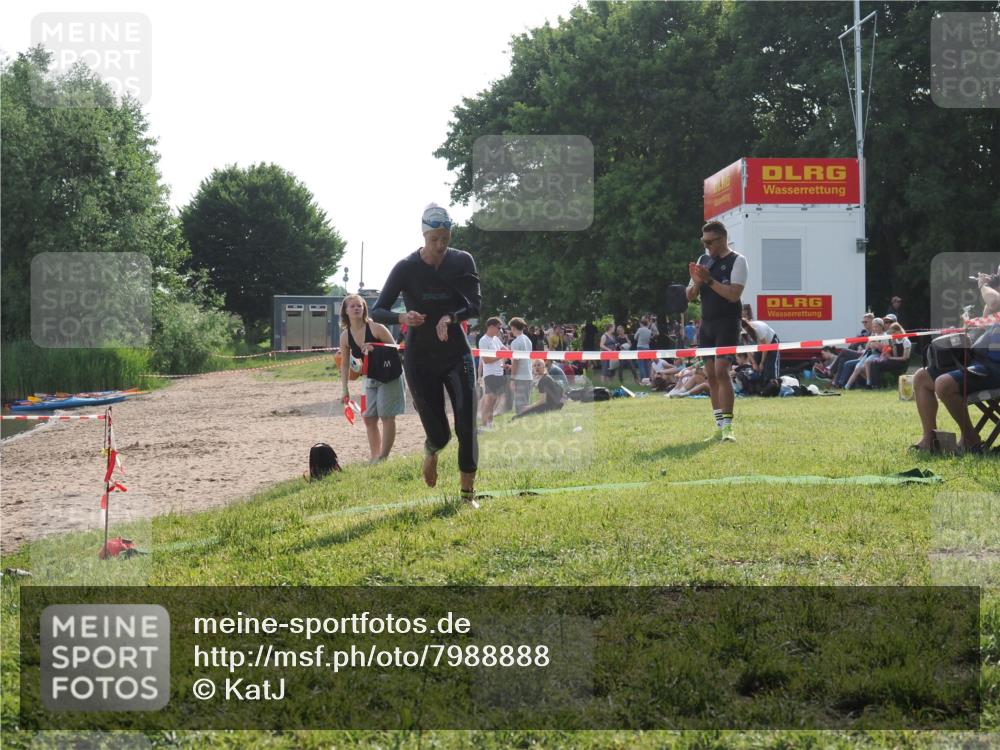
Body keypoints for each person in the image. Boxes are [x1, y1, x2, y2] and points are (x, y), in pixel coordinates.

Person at [371, 203, 481, 506]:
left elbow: (475, 304)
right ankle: (431, 450)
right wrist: (402, 319)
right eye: (435, 239)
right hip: (420, 359)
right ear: (424, 235)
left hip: (456, 352)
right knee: (441, 435)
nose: (441, 245)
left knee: (467, 424)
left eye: (445, 238)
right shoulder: (406, 267)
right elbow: (379, 309)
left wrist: (452, 317)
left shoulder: (462, 261)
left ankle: (467, 496)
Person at [911, 277, 1000, 453]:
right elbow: (988, 315)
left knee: (944, 383)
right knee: (921, 377)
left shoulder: (995, 298)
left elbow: (995, 301)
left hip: (995, 368)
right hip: (979, 361)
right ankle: (930, 439)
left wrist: (983, 284)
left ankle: (970, 439)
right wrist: (967, 328)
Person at [687, 220, 748, 441]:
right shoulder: (704, 260)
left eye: (710, 242)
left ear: (722, 239)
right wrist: (696, 283)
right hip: (707, 323)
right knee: (710, 375)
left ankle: (729, 427)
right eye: (703, 242)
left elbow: (733, 294)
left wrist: (709, 280)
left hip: (728, 323)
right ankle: (719, 424)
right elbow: (690, 295)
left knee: (722, 371)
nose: (706, 246)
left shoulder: (737, 261)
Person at [339, 294, 405, 463]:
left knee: (386, 415)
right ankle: (375, 456)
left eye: (359, 305)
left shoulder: (377, 328)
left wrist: (376, 347)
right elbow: (345, 364)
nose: (356, 308)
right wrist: (344, 389)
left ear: (364, 309)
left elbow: (396, 349)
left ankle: (383, 456)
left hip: (389, 375)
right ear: (345, 311)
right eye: (352, 306)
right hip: (370, 377)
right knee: (368, 417)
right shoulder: (345, 336)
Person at [477, 317, 506, 431]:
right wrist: (501, 355)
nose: (500, 330)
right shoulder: (483, 340)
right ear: (491, 326)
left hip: (499, 373)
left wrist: (505, 353)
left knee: (494, 401)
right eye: (499, 327)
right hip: (490, 374)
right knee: (489, 401)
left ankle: (489, 424)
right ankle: (484, 425)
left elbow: (505, 349)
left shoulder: (496, 339)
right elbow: (486, 360)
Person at [740, 318, 780, 385]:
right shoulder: (743, 333)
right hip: (760, 346)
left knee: (770, 368)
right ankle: (761, 387)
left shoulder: (758, 329)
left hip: (771, 342)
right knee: (755, 368)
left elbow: (765, 347)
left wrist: (762, 363)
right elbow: (747, 349)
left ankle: (774, 385)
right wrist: (754, 363)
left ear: (746, 327)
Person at [509, 317, 534, 413]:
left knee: (520, 406)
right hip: (528, 375)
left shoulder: (515, 342)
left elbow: (516, 362)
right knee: (526, 404)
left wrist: (512, 379)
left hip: (520, 377)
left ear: (513, 328)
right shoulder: (528, 340)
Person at [634, 317, 653, 382]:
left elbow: (635, 337)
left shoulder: (640, 329)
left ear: (641, 324)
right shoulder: (649, 331)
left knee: (641, 364)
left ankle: (643, 379)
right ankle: (648, 378)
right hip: (647, 348)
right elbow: (649, 340)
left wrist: (638, 339)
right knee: (647, 364)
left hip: (640, 347)